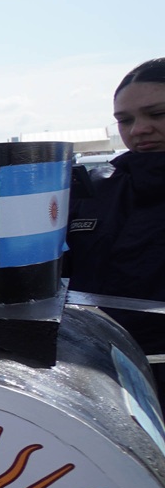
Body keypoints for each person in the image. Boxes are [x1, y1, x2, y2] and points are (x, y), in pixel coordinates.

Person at [70, 58, 165, 386]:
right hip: (99, 375)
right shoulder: (95, 189)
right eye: (125, 120)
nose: (139, 130)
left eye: (158, 114)